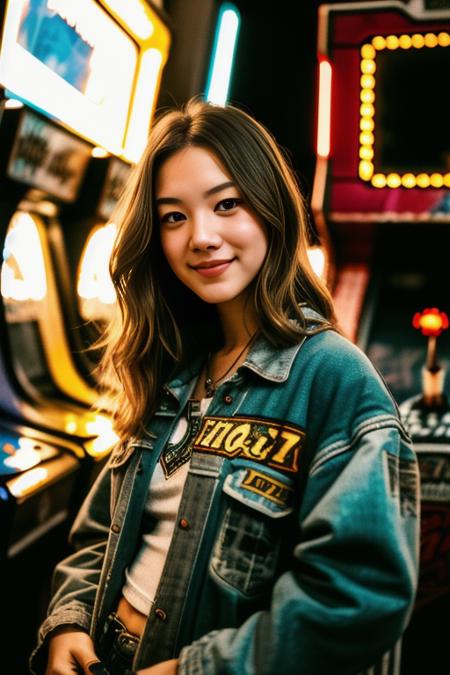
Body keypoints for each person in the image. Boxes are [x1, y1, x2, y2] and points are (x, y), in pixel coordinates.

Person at [30, 96, 419, 675]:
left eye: (226, 204)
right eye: (173, 216)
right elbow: (99, 534)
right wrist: (68, 621)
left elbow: (357, 595)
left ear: (270, 210)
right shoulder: (169, 366)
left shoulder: (332, 375)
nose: (201, 237)